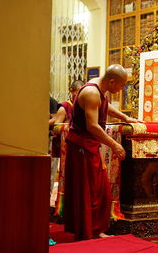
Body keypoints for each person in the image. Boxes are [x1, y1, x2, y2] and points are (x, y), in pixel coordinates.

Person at [64, 64, 137, 240]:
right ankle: (87, 231)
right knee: (88, 190)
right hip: (81, 146)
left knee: (100, 190)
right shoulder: (91, 92)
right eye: (121, 85)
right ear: (112, 81)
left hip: (89, 145)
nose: (121, 89)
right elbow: (93, 126)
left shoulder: (100, 88)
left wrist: (125, 117)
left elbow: (104, 106)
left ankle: (95, 229)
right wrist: (114, 145)